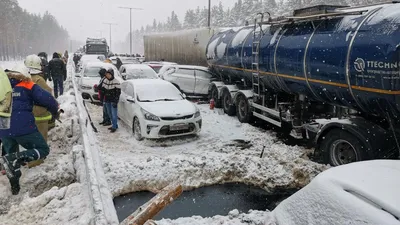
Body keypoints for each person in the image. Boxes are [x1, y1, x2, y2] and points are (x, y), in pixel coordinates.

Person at [0, 64, 59, 195]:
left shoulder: (1, 86)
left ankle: (15, 188)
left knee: (10, 156)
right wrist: (55, 111)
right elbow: (47, 99)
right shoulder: (27, 84)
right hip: (23, 126)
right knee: (43, 149)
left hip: (4, 127)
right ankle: (17, 158)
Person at [24, 54, 56, 168]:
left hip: (27, 114)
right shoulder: (38, 80)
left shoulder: (23, 78)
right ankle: (36, 161)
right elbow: (47, 95)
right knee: (40, 139)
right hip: (39, 115)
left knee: (30, 138)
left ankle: (30, 158)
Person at [101, 68, 121, 133]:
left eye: (109, 74)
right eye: (107, 74)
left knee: (114, 114)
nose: (108, 76)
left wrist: (116, 101)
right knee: (109, 114)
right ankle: (114, 125)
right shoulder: (105, 81)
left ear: (112, 74)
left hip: (113, 100)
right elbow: (103, 90)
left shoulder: (116, 82)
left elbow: (118, 93)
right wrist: (102, 97)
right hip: (107, 100)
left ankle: (114, 127)